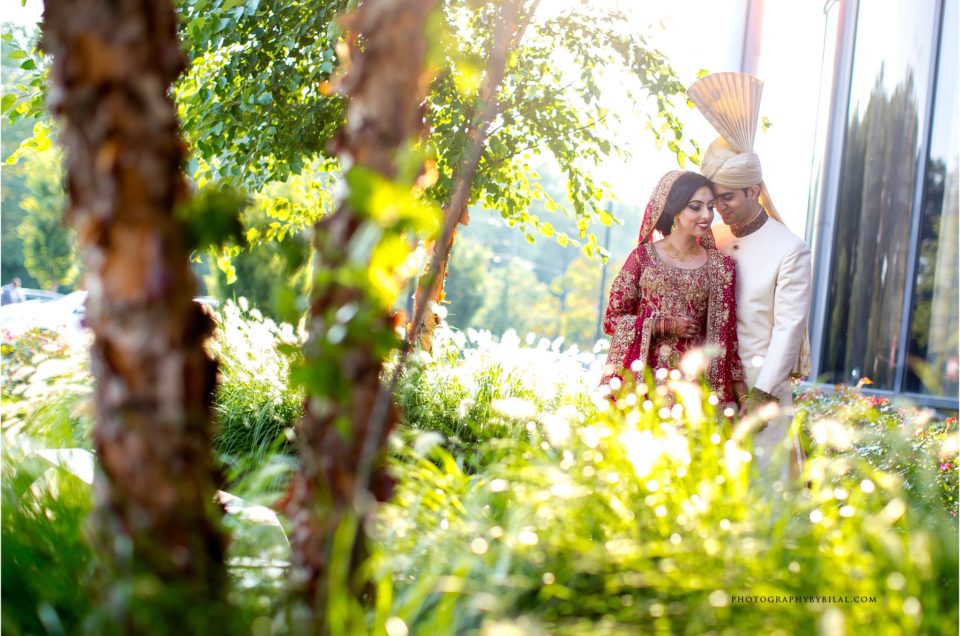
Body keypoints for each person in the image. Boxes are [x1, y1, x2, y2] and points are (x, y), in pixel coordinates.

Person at [687, 72, 813, 478]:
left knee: (764, 496)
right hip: (708, 384)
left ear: (754, 190)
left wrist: (760, 395)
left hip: (761, 389)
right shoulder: (714, 236)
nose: (718, 209)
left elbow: (789, 329)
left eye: (727, 198)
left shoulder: (790, 248)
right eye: (713, 199)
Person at [600, 170, 747, 407]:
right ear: (675, 210)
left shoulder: (721, 267)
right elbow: (612, 319)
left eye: (710, 206)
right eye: (696, 207)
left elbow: (728, 341)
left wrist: (743, 397)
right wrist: (662, 325)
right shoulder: (643, 259)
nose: (706, 215)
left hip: (695, 393)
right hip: (645, 389)